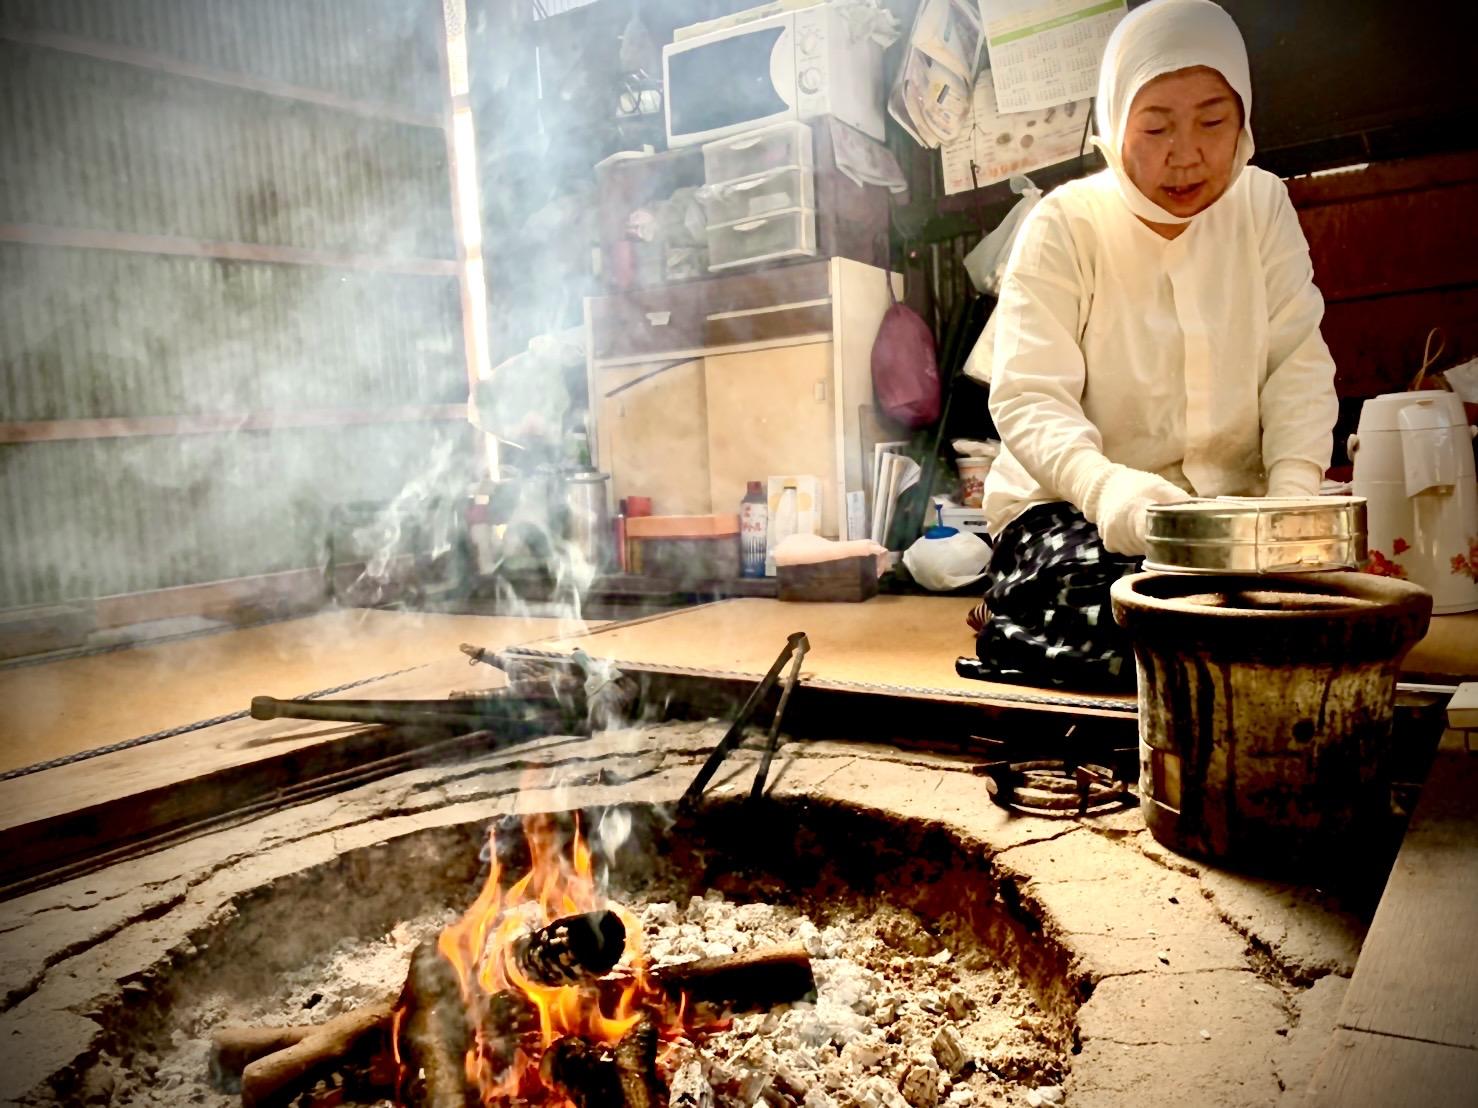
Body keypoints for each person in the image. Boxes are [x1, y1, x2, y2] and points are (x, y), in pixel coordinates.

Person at [971, 0, 1338, 690]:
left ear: (1243, 121)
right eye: (1156, 126)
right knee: (1144, 627)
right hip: (1076, 509)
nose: (1186, 153)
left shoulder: (1261, 206)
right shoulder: (1065, 225)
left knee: (1305, 616)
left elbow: (1297, 362)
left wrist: (1289, 507)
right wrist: (1112, 491)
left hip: (1228, 516)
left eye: (1212, 122)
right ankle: (1007, 613)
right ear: (1116, 124)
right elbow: (1028, 398)